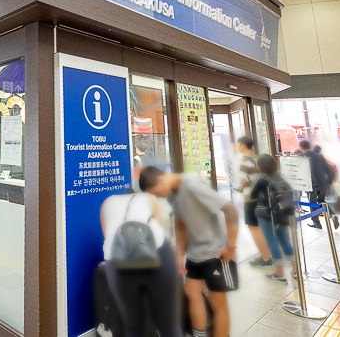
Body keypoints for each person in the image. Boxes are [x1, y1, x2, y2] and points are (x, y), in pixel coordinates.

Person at [140, 166, 239, 337]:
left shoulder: (193, 186)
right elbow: (180, 222)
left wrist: (231, 246)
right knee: (192, 292)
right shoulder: (172, 193)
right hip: (195, 254)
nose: (158, 197)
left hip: (215, 253)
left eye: (156, 193)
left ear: (161, 180)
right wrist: (179, 254)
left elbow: (230, 210)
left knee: (218, 303)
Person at [100, 191, 181, 336]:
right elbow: (159, 227)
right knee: (169, 324)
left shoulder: (106, 203)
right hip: (156, 256)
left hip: (117, 262)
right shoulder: (148, 198)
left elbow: (107, 234)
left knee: (133, 326)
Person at [251, 154, 297, 282]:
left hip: (267, 215)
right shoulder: (280, 177)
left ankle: (280, 274)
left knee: (272, 243)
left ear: (260, 166)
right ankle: (295, 271)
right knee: (285, 241)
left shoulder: (261, 179)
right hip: (282, 214)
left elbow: (252, 194)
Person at [234, 136, 272, 268]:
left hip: (251, 198)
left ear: (243, 145)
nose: (237, 147)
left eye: (238, 144)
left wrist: (240, 186)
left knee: (254, 228)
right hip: (263, 198)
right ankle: (269, 255)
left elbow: (243, 181)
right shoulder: (258, 159)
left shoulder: (244, 161)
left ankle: (266, 258)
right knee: (262, 227)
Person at [299, 140, 339, 230]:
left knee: (312, 204)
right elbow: (328, 170)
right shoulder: (319, 156)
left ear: (301, 147)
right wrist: (329, 181)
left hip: (311, 185)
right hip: (323, 183)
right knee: (321, 201)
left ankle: (316, 223)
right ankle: (333, 215)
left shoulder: (302, 157)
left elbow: (300, 173)